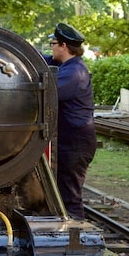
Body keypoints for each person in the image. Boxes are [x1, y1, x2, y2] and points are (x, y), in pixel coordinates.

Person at [43, 23, 96, 220]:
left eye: (53, 43)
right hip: (70, 139)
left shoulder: (74, 73)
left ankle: (77, 236)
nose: (51, 48)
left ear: (63, 46)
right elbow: (43, 60)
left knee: (70, 196)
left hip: (76, 142)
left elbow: (46, 92)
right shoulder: (65, 65)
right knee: (62, 191)